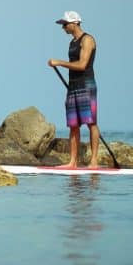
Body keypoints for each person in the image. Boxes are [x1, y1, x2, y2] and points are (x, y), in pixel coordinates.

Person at [48, 11, 100, 168]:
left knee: (91, 123)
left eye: (65, 24)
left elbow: (82, 65)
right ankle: (73, 162)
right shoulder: (72, 42)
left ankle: (94, 161)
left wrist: (59, 62)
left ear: (75, 23)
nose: (63, 27)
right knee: (73, 124)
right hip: (73, 86)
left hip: (86, 85)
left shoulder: (87, 40)